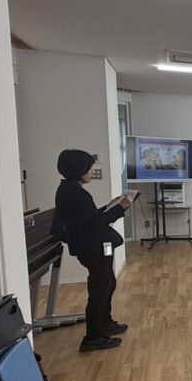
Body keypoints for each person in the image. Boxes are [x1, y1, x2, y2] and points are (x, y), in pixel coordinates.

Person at [53, 149, 132, 352]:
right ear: (78, 169)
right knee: (100, 290)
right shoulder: (76, 193)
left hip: (93, 246)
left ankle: (105, 323)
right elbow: (95, 223)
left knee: (108, 283)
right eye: (89, 168)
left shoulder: (68, 189)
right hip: (93, 247)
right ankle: (94, 337)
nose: (91, 172)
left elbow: (87, 218)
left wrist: (108, 208)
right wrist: (121, 207)